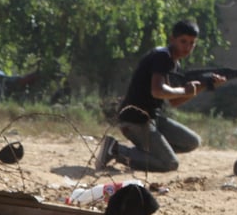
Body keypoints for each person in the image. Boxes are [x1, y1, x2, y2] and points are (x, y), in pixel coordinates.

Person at [95, 19, 225, 173]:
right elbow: (157, 91)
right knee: (170, 164)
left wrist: (204, 86)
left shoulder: (173, 62)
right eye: (183, 41)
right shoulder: (162, 57)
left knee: (191, 142)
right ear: (172, 39)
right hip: (135, 120)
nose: (188, 47)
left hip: (152, 119)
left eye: (192, 43)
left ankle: (151, 154)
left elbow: (174, 101)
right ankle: (116, 150)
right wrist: (185, 90)